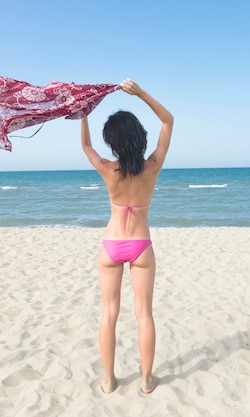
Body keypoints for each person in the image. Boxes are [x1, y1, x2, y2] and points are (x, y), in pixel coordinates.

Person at [80, 79, 174, 394]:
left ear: (113, 142)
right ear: (140, 138)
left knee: (108, 314)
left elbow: (86, 148)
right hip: (141, 246)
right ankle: (147, 380)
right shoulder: (153, 167)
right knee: (144, 314)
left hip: (111, 245)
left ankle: (108, 381)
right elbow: (168, 120)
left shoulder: (108, 169)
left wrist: (83, 114)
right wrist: (142, 93)